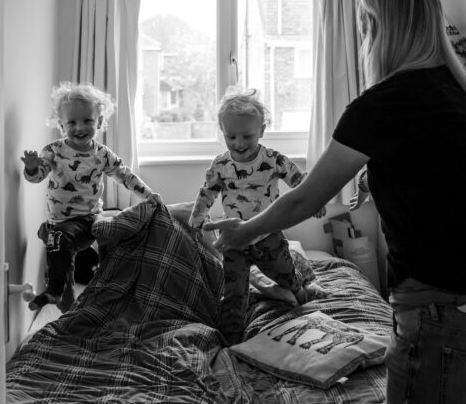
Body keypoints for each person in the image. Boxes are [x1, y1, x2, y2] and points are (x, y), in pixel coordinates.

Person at [205, 0, 466, 403]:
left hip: (441, 319)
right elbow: (444, 181)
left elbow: (306, 197)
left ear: (376, 26)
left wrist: (244, 230)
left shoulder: (384, 104)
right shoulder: (463, 94)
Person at [189, 89, 326, 345]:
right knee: (233, 291)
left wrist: (314, 201)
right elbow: (207, 192)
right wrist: (198, 216)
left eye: (247, 136)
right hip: (234, 239)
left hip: (267, 234)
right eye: (231, 136)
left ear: (261, 131)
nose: (239, 143)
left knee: (284, 272)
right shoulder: (220, 165)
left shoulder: (273, 160)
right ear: (223, 132)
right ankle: (232, 335)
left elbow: (299, 180)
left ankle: (299, 289)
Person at [22, 81, 161, 312]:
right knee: (59, 249)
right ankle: (63, 300)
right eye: (72, 122)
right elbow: (37, 178)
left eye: (88, 120)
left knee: (121, 231)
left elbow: (124, 175)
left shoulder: (102, 154)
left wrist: (147, 194)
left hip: (90, 220)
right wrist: (32, 168)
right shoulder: (53, 151)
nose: (80, 127)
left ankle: (122, 291)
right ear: (61, 124)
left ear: (99, 122)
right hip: (61, 224)